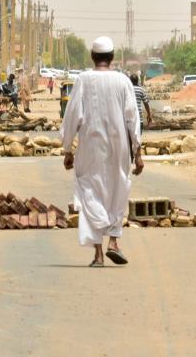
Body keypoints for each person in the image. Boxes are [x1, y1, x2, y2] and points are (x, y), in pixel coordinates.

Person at [62, 36, 143, 267]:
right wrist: (137, 152)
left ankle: (98, 254)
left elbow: (73, 115)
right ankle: (114, 242)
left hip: (91, 147)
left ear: (92, 57)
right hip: (119, 147)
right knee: (118, 189)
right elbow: (132, 118)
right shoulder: (123, 81)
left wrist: (68, 149)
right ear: (112, 57)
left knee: (90, 193)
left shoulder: (83, 80)